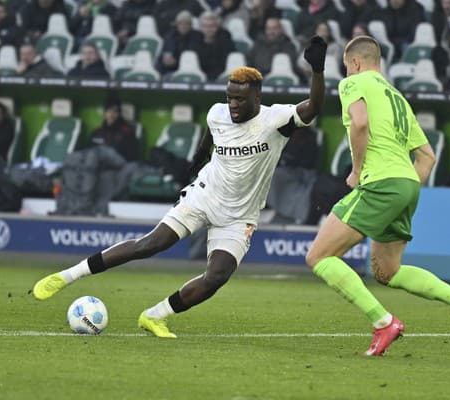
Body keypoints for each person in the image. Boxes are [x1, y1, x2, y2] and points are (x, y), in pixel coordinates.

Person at [32, 36, 328, 338]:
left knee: (217, 276)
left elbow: (314, 106)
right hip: (205, 196)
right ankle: (67, 276)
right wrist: (200, 157)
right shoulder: (218, 113)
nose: (233, 105)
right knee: (150, 245)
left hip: (240, 216)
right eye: (229, 98)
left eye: (240, 99)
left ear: (257, 96)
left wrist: (317, 71)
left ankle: (155, 315)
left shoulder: (275, 120)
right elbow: (212, 132)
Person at [304, 35, 450, 357]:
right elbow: (427, 157)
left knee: (319, 256)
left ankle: (383, 322)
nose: (348, 72)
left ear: (356, 62)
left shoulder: (354, 82)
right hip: (407, 184)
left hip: (381, 183)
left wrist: (357, 170)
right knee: (387, 272)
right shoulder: (398, 98)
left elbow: (359, 123)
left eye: (348, 67)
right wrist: (405, 191)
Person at [89, 97, 139, 162]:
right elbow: (89, 153)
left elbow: (131, 158)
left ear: (119, 114)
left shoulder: (127, 133)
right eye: (109, 111)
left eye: (115, 111)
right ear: (105, 113)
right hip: (96, 166)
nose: (111, 114)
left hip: (118, 167)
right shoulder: (97, 132)